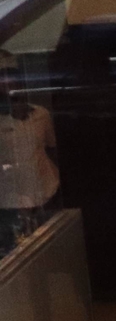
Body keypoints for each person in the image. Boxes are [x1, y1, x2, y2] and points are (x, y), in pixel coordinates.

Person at [0, 57, 58, 255]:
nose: (10, 89)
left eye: (14, 83)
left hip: (45, 193)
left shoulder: (41, 114)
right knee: (20, 256)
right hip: (11, 203)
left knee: (51, 252)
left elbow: (51, 147)